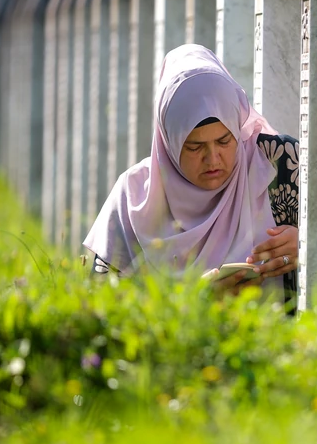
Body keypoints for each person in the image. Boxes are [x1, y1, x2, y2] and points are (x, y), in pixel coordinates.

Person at [83, 44, 299, 305]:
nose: (212, 159)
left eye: (224, 141)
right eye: (194, 147)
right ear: (169, 144)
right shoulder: (132, 198)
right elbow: (99, 306)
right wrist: (193, 304)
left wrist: (305, 245)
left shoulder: (279, 163)